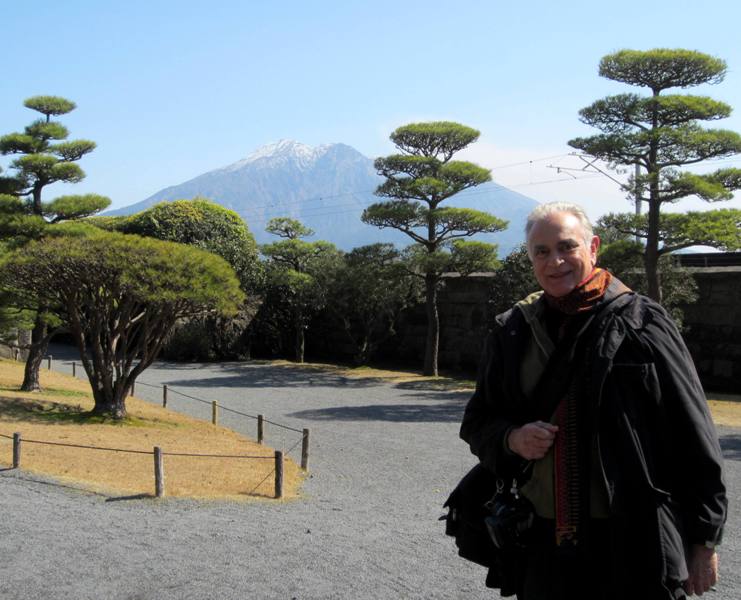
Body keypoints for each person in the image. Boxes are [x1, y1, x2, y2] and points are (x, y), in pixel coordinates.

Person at [459, 202, 727, 599]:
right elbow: (478, 421)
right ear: (531, 258)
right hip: (544, 541)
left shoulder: (643, 323)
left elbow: (693, 431)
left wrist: (704, 540)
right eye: (542, 251)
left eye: (567, 247)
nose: (556, 261)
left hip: (633, 538)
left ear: (593, 247)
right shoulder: (513, 331)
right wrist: (511, 438)